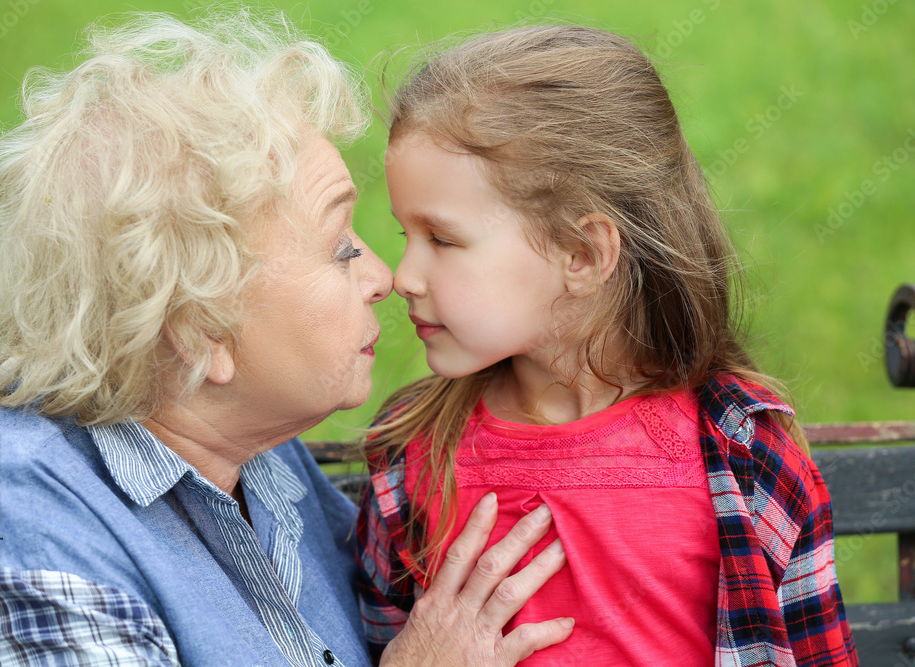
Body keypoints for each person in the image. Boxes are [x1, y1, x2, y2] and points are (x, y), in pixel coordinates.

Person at [0, 12, 574, 666]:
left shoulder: (254, 448)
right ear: (203, 333)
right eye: (341, 247)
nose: (382, 277)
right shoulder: (24, 536)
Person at [356, 25, 858, 666]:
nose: (403, 275)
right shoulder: (411, 455)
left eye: (443, 240)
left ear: (582, 255)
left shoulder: (742, 453)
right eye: (406, 236)